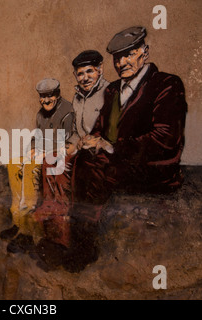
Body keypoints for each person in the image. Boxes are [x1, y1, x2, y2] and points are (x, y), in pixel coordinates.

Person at [72, 26, 188, 215]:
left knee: (92, 168)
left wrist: (111, 147)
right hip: (116, 164)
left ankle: (82, 239)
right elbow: (100, 128)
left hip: (152, 169)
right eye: (117, 58)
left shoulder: (166, 84)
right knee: (78, 160)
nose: (122, 63)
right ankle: (69, 235)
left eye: (129, 55)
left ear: (145, 53)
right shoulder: (113, 90)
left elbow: (164, 139)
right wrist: (90, 139)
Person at [33, 50, 109, 251]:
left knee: (63, 165)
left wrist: (97, 142)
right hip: (81, 147)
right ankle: (53, 214)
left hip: (99, 150)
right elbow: (75, 131)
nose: (85, 77)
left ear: (100, 69)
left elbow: (111, 128)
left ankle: (65, 228)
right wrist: (71, 145)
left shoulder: (109, 93)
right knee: (52, 159)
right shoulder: (77, 98)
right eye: (80, 73)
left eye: (89, 72)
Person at [1, 78, 74, 254]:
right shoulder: (41, 114)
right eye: (42, 97)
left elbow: (68, 141)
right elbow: (37, 137)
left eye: (50, 96)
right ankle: (17, 221)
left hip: (59, 155)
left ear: (57, 95)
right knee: (13, 164)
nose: (46, 100)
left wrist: (44, 152)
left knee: (30, 167)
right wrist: (33, 148)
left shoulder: (67, 111)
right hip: (43, 152)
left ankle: (26, 232)